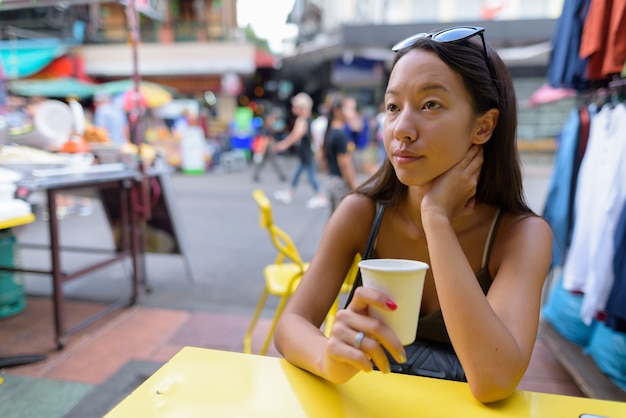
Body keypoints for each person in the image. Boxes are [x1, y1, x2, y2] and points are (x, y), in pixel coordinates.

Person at [273, 26, 552, 403]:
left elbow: (495, 380)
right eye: (392, 107)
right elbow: (291, 325)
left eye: (430, 105)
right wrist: (327, 357)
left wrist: (436, 217)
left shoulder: (521, 235)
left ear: (483, 126)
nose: (401, 129)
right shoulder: (362, 212)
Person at [273, 92, 328, 209]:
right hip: (305, 153)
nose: (293, 108)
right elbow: (312, 135)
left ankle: (320, 196)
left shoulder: (302, 120)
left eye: (295, 106)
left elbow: (295, 135)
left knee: (311, 176)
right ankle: (289, 192)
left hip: (306, 153)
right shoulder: (307, 119)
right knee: (297, 173)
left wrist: (283, 145)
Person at [321, 96, 358, 214]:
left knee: (333, 221)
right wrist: (354, 186)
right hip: (340, 183)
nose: (352, 113)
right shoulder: (341, 134)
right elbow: (345, 164)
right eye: (349, 109)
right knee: (343, 222)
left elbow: (322, 158)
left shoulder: (331, 131)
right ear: (337, 111)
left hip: (331, 180)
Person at [252, 107, 287, 182]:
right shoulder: (265, 129)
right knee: (273, 162)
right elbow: (265, 140)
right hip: (267, 147)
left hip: (267, 147)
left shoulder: (269, 128)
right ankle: (281, 176)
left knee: (265, 162)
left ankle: (256, 175)